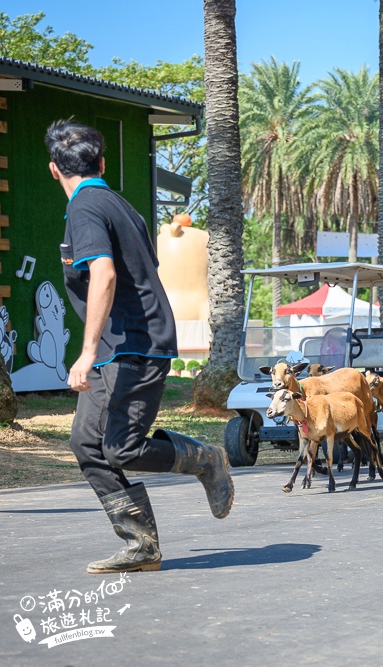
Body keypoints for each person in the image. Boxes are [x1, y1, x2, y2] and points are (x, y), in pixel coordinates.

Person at [47, 121, 233, 574]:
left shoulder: (86, 208)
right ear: (102, 163)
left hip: (134, 346)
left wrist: (87, 351)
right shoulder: (119, 206)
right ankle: (140, 545)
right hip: (124, 344)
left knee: (121, 447)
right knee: (88, 444)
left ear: (54, 170)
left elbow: (106, 276)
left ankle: (205, 458)